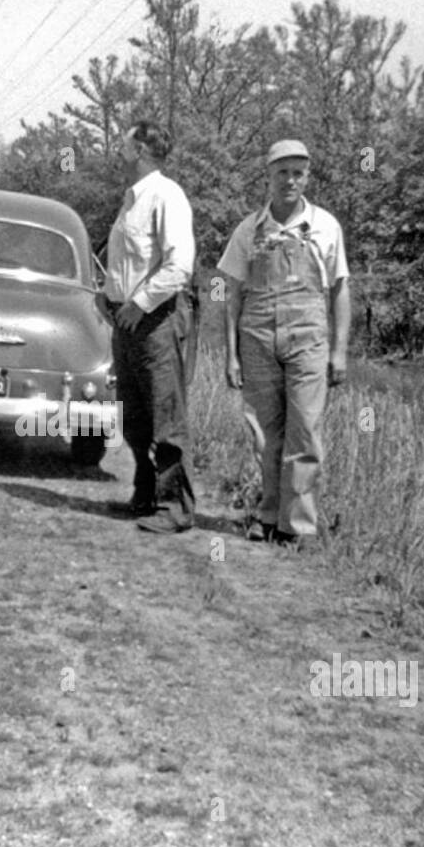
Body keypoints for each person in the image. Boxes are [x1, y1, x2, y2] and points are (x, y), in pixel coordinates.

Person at [218, 139, 351, 546]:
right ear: (269, 177)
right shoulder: (249, 229)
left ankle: (299, 526)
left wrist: (339, 350)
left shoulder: (326, 226)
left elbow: (340, 288)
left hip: (308, 337)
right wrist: (232, 354)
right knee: (264, 431)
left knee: (306, 431)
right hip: (257, 336)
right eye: (282, 172)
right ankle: (268, 515)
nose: (290, 180)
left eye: (298, 172)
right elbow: (230, 291)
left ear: (307, 176)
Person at [104, 121, 197, 534]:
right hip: (126, 321)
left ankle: (174, 508)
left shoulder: (166, 195)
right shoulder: (131, 201)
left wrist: (139, 305)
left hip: (155, 321)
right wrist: (107, 294)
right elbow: (129, 265)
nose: (118, 151)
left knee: (165, 416)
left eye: (124, 143)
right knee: (135, 415)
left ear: (140, 149)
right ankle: (145, 494)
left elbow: (179, 266)